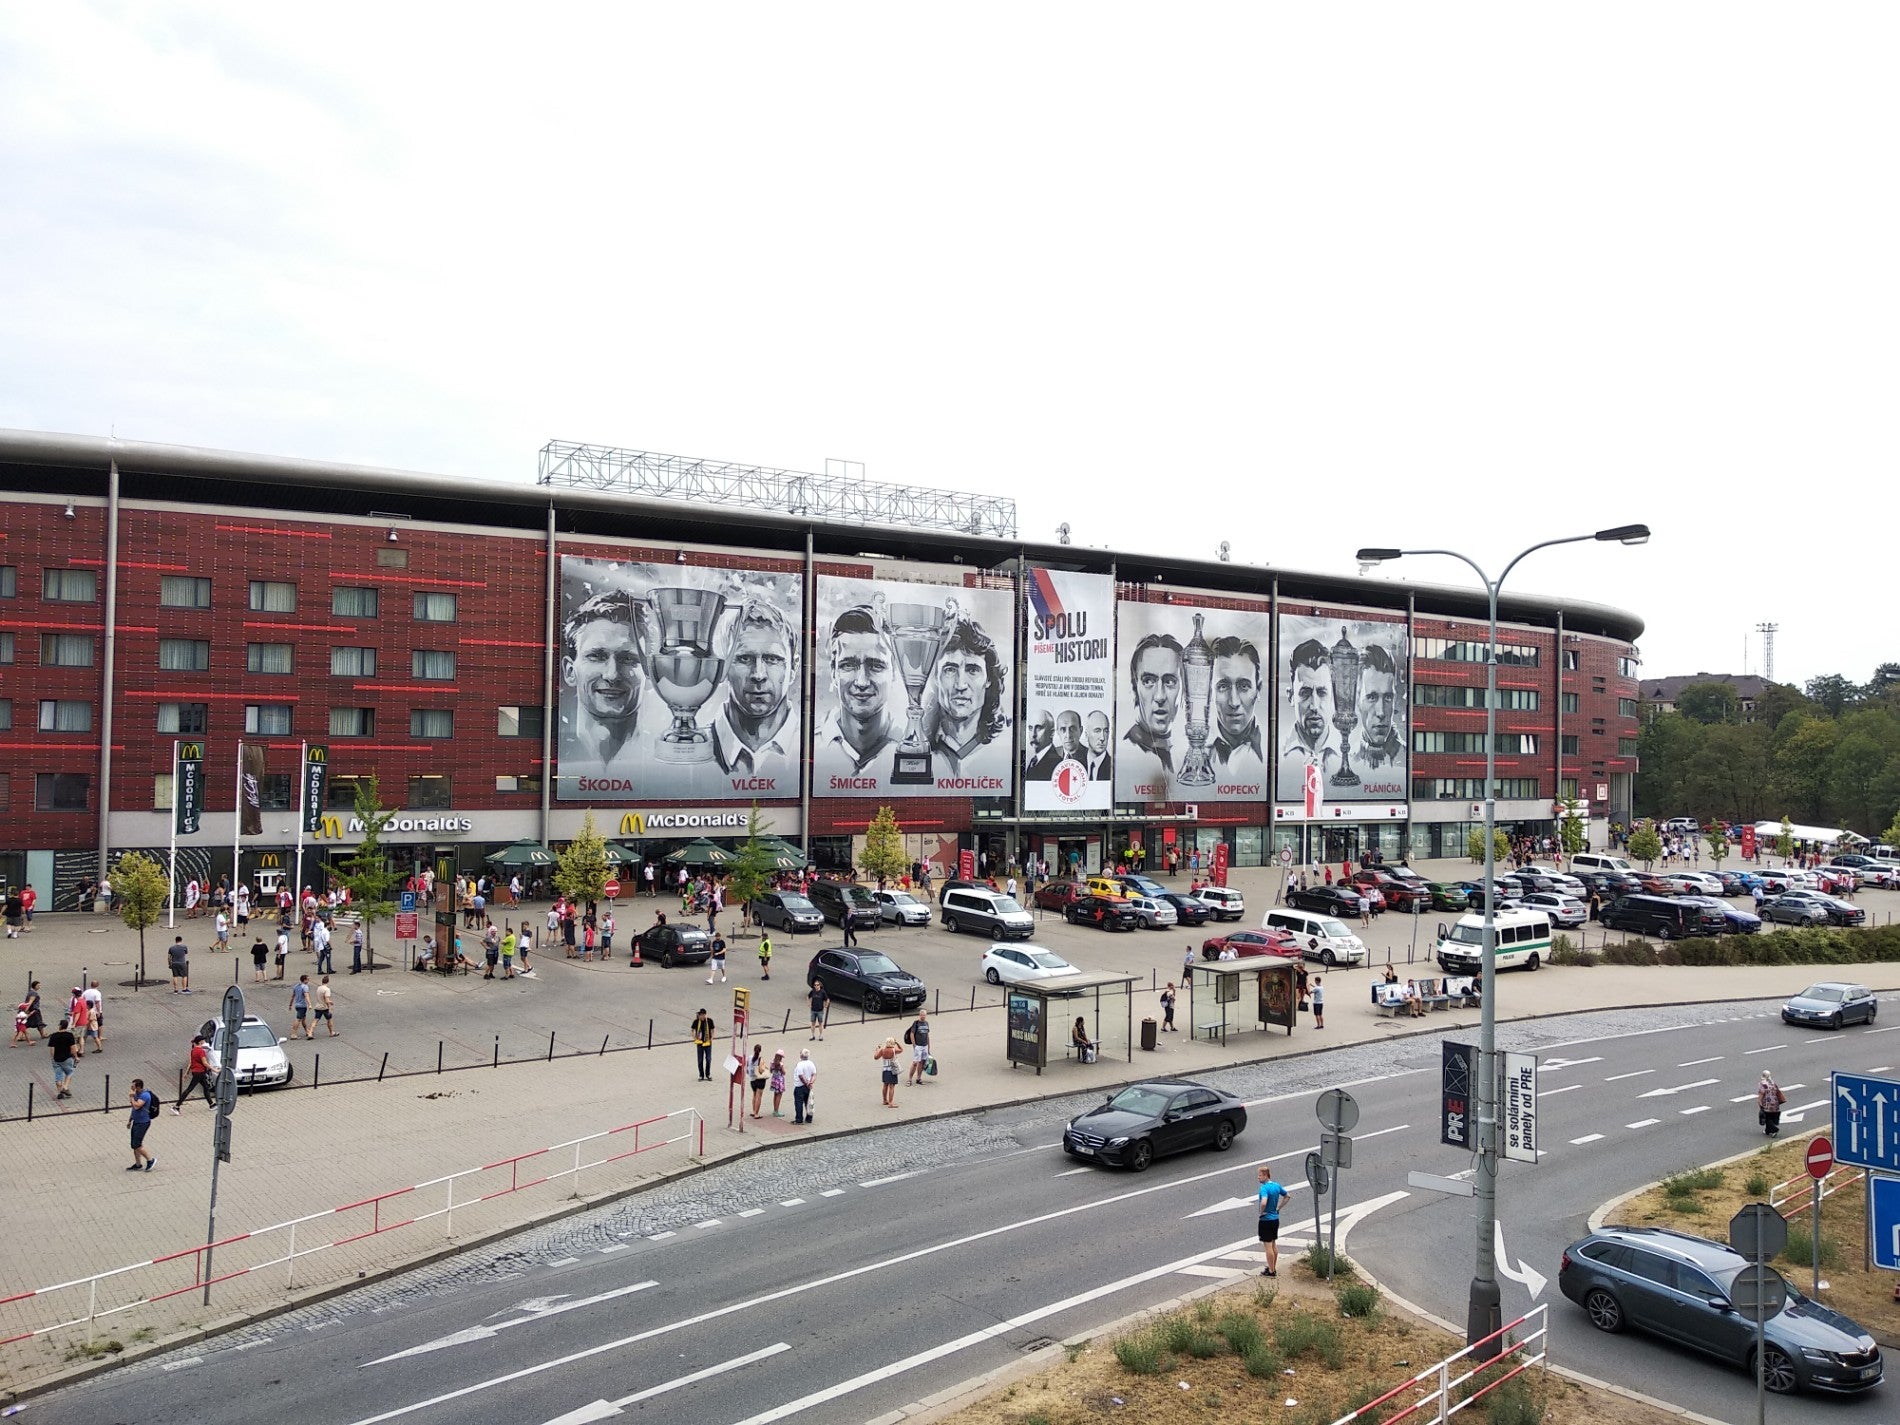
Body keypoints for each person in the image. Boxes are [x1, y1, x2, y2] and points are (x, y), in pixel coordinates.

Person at [561, 589, 652, 776]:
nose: (612, 675)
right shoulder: (553, 753)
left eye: (628, 659)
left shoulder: (672, 760)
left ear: (651, 673)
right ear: (570, 672)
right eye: (596, 656)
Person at [712, 599, 799, 787]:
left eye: (772, 659)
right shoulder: (691, 749)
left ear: (794, 667)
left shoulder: (818, 748)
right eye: (744, 658)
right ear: (723, 665)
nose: (758, 674)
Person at [814, 604, 903, 781]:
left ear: (894, 672)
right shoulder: (810, 746)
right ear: (833, 672)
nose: (862, 681)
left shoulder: (915, 748)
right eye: (848, 665)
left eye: (876, 666)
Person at [1277, 638, 1339, 798]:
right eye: (1305, 693)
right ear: (1290, 696)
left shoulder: (1352, 758)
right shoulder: (1276, 757)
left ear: (1334, 697)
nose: (1314, 705)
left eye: (1321, 692)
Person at [1121, 632, 1183, 790]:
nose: (1160, 696)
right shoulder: (1125, 757)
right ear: (1135, 687)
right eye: (1148, 681)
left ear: (1184, 689)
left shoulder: (1185, 755)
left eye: (1170, 681)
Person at [1210, 637, 1266, 784]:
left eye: (1244, 686)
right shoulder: (1187, 754)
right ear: (1210, 691)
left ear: (1258, 689)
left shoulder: (1277, 751)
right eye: (1223, 686)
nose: (1234, 702)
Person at [1353, 644, 1404, 772]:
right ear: (1357, 699)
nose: (1381, 712)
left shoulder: (1406, 762)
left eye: (1388, 698)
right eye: (1371, 697)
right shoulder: (1346, 761)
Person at [1257, 1165, 1288, 1276]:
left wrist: (1261, 1212)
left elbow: (1264, 1202)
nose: (1258, 1177)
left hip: (1266, 1220)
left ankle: (1271, 1271)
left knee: (1268, 1245)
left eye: (1260, 1175)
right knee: (1274, 1244)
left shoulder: (1264, 1188)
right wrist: (1278, 1208)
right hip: (1275, 1219)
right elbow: (1287, 1196)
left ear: (1265, 1175)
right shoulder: (1276, 1186)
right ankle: (1272, 1267)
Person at [175, 1035, 216, 1112]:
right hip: (199, 1073)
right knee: (190, 1089)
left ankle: (211, 1104)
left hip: (196, 1072)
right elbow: (205, 1063)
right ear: (200, 1042)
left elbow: (191, 1063)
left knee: (206, 1087)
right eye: (203, 1041)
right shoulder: (201, 1051)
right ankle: (176, 1106)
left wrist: (187, 1073)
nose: (204, 1042)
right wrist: (214, 1070)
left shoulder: (193, 1050)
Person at [127, 1079, 160, 1172]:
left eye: (133, 1086)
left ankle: (150, 1160)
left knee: (137, 1144)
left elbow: (137, 1105)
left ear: (138, 1087)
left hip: (143, 1123)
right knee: (134, 1144)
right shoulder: (136, 1094)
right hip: (136, 1121)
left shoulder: (145, 1095)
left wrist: (132, 1097)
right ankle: (138, 1164)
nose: (131, 1088)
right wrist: (130, 1120)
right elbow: (134, 1109)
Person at [49, 1017, 78, 1099]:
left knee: (58, 1075)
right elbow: (73, 1048)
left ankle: (60, 1093)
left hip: (56, 1059)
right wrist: (76, 1056)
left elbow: (52, 1049)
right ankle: (65, 1087)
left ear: (60, 1026)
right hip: (67, 1058)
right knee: (70, 1072)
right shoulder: (69, 1035)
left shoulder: (54, 1036)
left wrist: (53, 1058)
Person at [1084, 710, 1114, 785]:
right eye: (1097, 731)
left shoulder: (1114, 767)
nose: (1102, 738)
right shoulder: (1075, 762)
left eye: (1106, 731)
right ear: (1086, 735)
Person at [904, 1009, 932, 1085]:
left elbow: (927, 1035)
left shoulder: (926, 1023)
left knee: (922, 1062)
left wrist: (928, 1046)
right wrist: (914, 1045)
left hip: (925, 1045)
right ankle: (909, 1079)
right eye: (922, 1015)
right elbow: (912, 1034)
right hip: (918, 1046)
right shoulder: (916, 1023)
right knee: (915, 1063)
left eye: (924, 1015)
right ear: (919, 1015)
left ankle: (918, 1078)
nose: (923, 1016)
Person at [874, 1037, 902, 1107]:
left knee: (885, 1085)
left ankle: (884, 1100)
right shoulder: (893, 1050)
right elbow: (901, 1050)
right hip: (892, 1069)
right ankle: (891, 1102)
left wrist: (877, 1050)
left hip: (885, 1070)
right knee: (891, 1086)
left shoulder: (882, 1050)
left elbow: (876, 1057)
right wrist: (897, 1043)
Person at [792, 1048, 817, 1124]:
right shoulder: (811, 1063)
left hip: (800, 1086)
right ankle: (809, 1118)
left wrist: (806, 1083)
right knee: (808, 1102)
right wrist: (811, 1082)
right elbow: (814, 1074)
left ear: (801, 1055)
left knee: (798, 1103)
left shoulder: (800, 1064)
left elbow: (801, 1076)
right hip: (808, 1087)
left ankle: (799, 1119)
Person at [1758, 1070, 1787, 1136]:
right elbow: (1777, 1091)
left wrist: (1759, 1102)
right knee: (1771, 1116)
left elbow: (1762, 1093)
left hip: (1767, 1103)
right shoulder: (1773, 1083)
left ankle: (1774, 1130)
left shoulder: (1763, 1084)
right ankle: (1767, 1131)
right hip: (1775, 1102)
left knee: (1767, 1118)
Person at [691, 1008, 716, 1081]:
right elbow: (692, 1030)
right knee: (700, 1060)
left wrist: (712, 1038)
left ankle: (708, 1074)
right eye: (700, 1015)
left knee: (708, 1059)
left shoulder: (709, 1021)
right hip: (700, 1043)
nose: (700, 1016)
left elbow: (712, 1030)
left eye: (702, 1015)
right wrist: (694, 1038)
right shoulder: (696, 1021)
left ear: (705, 1015)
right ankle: (701, 1075)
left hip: (707, 1043)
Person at [289, 974, 313, 1039]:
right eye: (308, 979)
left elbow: (292, 996)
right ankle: (293, 1034)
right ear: (304, 980)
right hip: (302, 1006)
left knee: (303, 1019)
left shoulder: (296, 986)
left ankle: (307, 1031)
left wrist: (290, 1005)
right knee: (298, 1019)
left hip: (297, 1005)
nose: (308, 980)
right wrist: (309, 1004)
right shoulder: (305, 987)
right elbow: (306, 996)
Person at [748, 1044, 768, 1118]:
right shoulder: (760, 1059)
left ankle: (753, 1111)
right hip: (759, 1079)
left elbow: (747, 1067)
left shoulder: (749, 1058)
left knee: (754, 1095)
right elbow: (762, 1069)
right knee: (759, 1097)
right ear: (760, 1050)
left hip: (752, 1079)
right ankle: (756, 1113)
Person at [768, 1050, 788, 1116]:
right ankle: (776, 1111)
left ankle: (774, 1109)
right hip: (779, 1080)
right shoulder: (780, 1064)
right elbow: (784, 1072)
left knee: (775, 1095)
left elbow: (770, 1071)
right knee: (779, 1095)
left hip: (774, 1079)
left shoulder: (772, 1062)